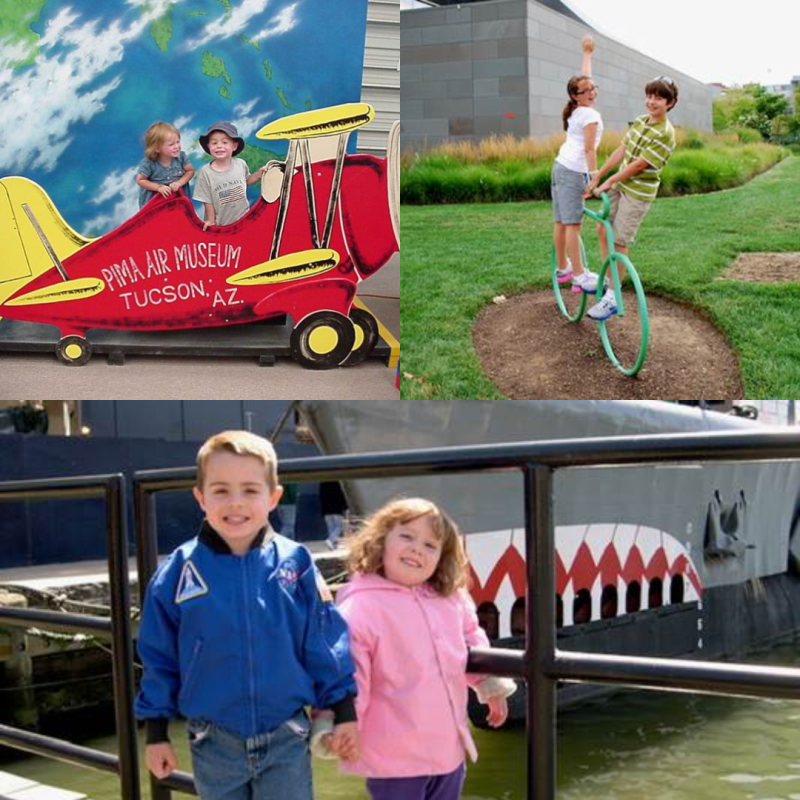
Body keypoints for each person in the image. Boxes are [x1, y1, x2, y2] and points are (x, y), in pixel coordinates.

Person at [134, 430, 359, 799]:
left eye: (250, 490)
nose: (235, 503)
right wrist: (155, 734)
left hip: (286, 733)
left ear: (273, 498)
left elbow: (325, 642)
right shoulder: (177, 571)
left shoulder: (296, 563)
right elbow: (159, 656)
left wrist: (344, 710)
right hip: (213, 739)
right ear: (200, 497)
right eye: (221, 490)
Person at [331, 497, 516, 800]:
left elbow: (470, 636)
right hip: (394, 758)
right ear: (380, 542)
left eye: (431, 545)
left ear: (442, 557)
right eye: (406, 536)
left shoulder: (449, 599)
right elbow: (352, 675)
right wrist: (346, 722)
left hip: (447, 750)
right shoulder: (361, 608)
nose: (418, 548)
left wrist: (489, 685)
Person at [584, 77, 679, 321]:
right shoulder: (640, 121)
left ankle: (613, 298)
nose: (651, 101)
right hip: (622, 184)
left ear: (670, 103)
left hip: (637, 193)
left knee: (619, 240)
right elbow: (622, 151)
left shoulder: (666, 134)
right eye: (649, 96)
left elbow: (638, 165)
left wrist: (609, 182)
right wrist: (599, 176)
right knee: (602, 229)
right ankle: (608, 281)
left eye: (658, 98)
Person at [551, 35, 603, 295]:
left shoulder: (576, 108)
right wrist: (594, 178)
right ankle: (579, 276)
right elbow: (589, 149)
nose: (592, 92)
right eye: (587, 91)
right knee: (572, 224)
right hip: (572, 171)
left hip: (560, 167)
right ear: (576, 96)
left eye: (594, 88)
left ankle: (563, 268)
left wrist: (587, 53)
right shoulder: (589, 113)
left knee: (561, 221)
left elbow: (584, 80)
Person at [194, 121, 267, 228]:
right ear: (208, 146)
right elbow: (206, 199)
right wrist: (210, 220)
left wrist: (258, 175)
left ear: (234, 146)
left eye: (224, 142)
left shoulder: (240, 164)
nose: (219, 146)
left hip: (244, 219)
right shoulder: (205, 172)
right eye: (214, 143)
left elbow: (245, 181)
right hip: (221, 225)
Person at [135, 121, 195, 209]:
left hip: (177, 201)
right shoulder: (149, 162)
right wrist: (158, 187)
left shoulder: (181, 157)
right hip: (155, 205)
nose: (176, 146)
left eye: (178, 142)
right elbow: (140, 180)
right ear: (157, 148)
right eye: (171, 144)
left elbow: (190, 171)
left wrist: (179, 182)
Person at [320, 480, 348, 550]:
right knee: (339, 526)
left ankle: (333, 546)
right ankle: (330, 540)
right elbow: (340, 495)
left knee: (331, 528)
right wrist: (345, 507)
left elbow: (321, 497)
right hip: (336, 509)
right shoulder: (336, 483)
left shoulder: (322, 484)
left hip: (326, 510)